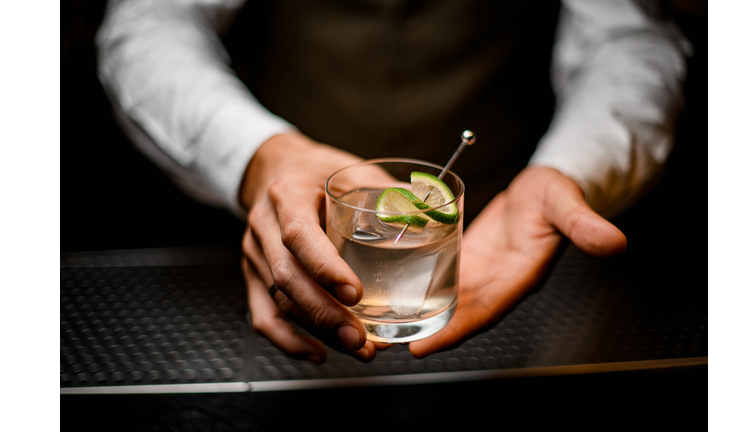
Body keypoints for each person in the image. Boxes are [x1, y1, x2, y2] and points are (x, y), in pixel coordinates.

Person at [96, 0, 690, 364]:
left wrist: (572, 166)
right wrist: (259, 156)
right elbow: (150, 21)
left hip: (501, 247)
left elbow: (629, 36)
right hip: (256, 258)